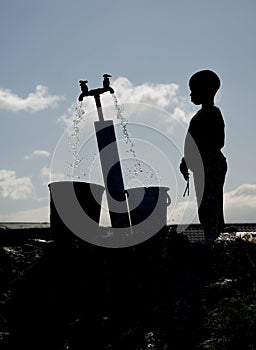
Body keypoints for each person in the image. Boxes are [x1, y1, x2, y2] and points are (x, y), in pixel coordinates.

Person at [180, 70, 227, 240]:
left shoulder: (213, 113)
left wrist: (194, 156)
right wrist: (187, 159)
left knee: (210, 204)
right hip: (203, 166)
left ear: (206, 91)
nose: (191, 95)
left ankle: (214, 237)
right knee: (204, 205)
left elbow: (218, 142)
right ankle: (211, 236)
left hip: (211, 165)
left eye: (194, 91)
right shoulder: (200, 115)